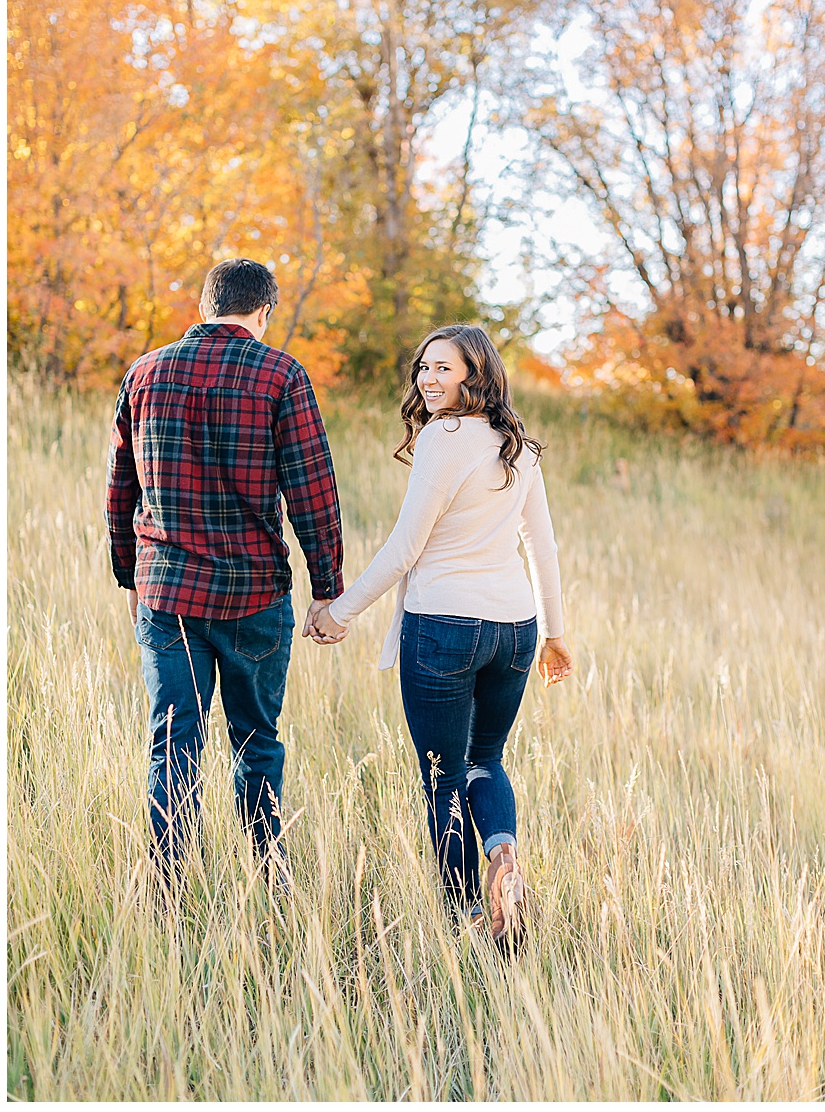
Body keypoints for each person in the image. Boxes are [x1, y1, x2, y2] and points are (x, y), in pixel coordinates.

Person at [308, 323, 571, 950]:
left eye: (444, 369)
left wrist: (341, 611)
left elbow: (405, 548)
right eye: (424, 367)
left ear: (474, 376)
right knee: (487, 761)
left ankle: (465, 922)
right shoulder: (519, 447)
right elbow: (542, 545)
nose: (428, 379)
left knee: (442, 776)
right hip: (514, 630)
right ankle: (503, 858)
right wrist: (555, 633)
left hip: (444, 625)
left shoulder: (442, 439)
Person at [107, 258, 345, 888]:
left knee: (172, 743)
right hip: (254, 594)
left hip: (168, 592)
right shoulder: (281, 375)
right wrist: (328, 589)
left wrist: (130, 577)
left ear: (206, 303)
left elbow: (120, 488)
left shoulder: (144, 372)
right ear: (263, 311)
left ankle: (168, 887)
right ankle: (270, 881)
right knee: (257, 742)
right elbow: (312, 490)